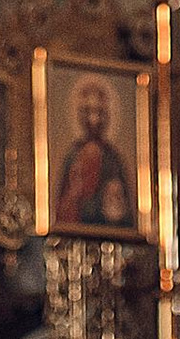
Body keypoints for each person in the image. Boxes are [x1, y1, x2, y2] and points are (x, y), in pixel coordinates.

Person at [52, 78, 134, 231]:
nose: (94, 119)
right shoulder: (73, 155)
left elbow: (126, 214)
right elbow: (61, 209)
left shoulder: (114, 158)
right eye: (88, 112)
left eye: (99, 112)